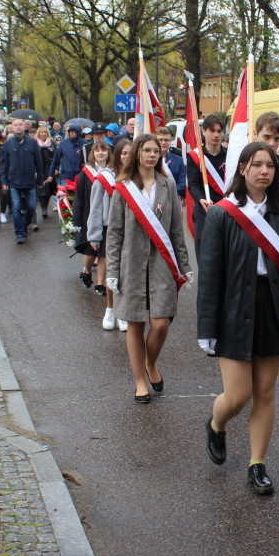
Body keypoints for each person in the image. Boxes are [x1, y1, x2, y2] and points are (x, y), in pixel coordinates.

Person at [197, 142, 279, 496]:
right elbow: (210, 274)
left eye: (270, 165)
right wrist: (207, 327)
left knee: (265, 391)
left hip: (272, 306)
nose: (264, 171)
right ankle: (216, 423)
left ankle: (257, 464)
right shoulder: (222, 214)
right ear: (242, 168)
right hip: (234, 308)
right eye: (257, 164)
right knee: (238, 395)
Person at [106, 134, 192, 403]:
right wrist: (111, 269)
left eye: (156, 151)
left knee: (161, 323)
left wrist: (185, 265)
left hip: (162, 264)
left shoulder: (167, 185)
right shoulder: (123, 188)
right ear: (137, 154)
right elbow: (115, 233)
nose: (153, 155)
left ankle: (150, 362)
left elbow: (177, 231)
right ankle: (140, 381)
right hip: (130, 264)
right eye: (147, 150)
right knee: (134, 324)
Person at [89, 138, 129, 331]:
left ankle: (123, 312)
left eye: (131, 153)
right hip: (109, 230)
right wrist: (94, 236)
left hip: (131, 231)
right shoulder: (106, 177)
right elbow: (95, 207)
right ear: (118, 154)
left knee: (127, 273)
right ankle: (110, 309)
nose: (127, 156)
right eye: (123, 153)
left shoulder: (138, 177)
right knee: (112, 272)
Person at [185, 113, 227, 257]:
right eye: (212, 130)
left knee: (226, 247)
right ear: (204, 131)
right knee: (204, 247)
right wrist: (200, 199)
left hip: (226, 208)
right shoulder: (195, 157)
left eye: (219, 131)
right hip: (204, 208)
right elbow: (193, 185)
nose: (215, 134)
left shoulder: (230, 156)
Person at [73, 140, 112, 291]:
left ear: (108, 153)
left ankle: (100, 283)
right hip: (88, 216)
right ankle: (87, 270)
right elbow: (79, 197)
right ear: (92, 154)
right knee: (90, 251)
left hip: (106, 217)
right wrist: (77, 220)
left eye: (104, 150)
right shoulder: (86, 172)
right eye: (97, 150)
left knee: (103, 252)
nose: (101, 153)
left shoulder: (112, 172)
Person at [0, 118, 45, 244]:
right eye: (16, 125)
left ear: (24, 127)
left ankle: (25, 224)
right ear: (12, 128)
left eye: (20, 124)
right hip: (14, 181)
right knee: (16, 208)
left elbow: (38, 162)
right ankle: (19, 233)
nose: (18, 127)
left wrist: (41, 179)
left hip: (30, 181)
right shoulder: (7, 144)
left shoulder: (32, 143)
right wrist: (4, 180)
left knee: (31, 206)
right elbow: (3, 164)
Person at [155, 126, 186, 200]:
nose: (163, 143)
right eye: (160, 140)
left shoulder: (179, 160)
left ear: (171, 141)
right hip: (155, 198)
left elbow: (182, 185)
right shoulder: (151, 159)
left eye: (166, 140)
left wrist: (166, 192)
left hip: (173, 199)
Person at [34, 125, 55, 219]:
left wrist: (55, 168)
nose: (43, 134)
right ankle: (43, 209)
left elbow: (56, 156)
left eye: (45, 132)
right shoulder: (35, 143)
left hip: (49, 168)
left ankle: (45, 206)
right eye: (42, 132)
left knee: (49, 189)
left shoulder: (52, 143)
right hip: (39, 169)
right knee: (41, 188)